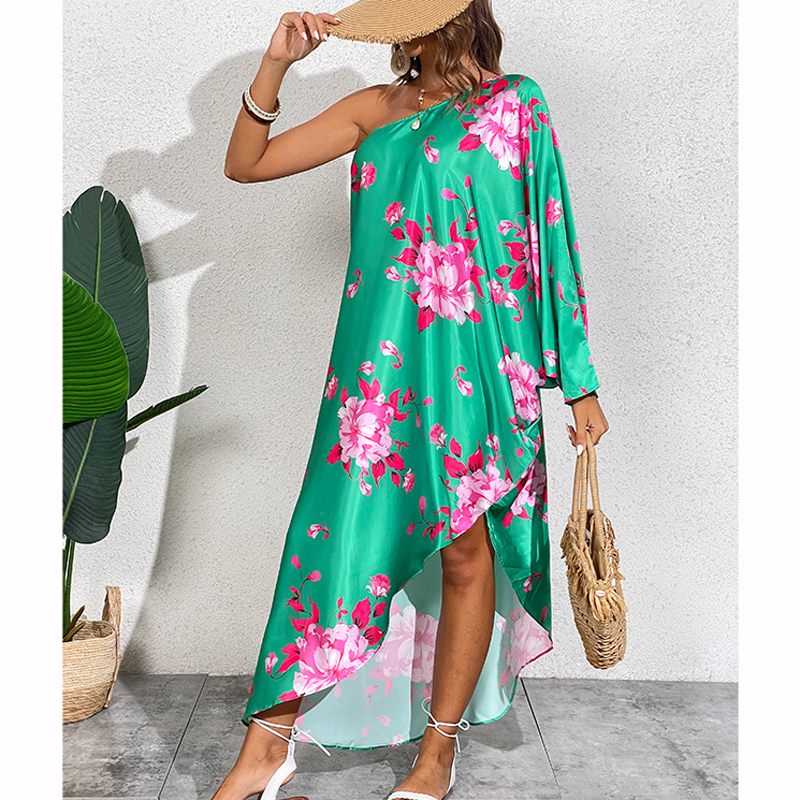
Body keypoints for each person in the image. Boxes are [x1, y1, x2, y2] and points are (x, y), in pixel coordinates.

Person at [218, 1, 610, 799]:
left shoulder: (516, 103)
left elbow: (551, 231)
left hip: (479, 366)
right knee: (332, 541)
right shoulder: (376, 107)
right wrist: (276, 64)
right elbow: (246, 165)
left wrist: (580, 383)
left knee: (466, 551)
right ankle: (267, 744)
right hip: (375, 375)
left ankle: (438, 753)